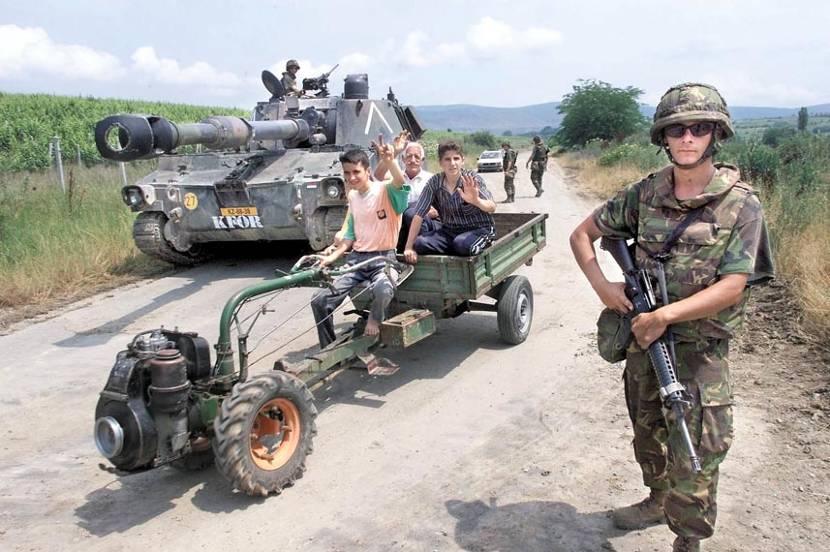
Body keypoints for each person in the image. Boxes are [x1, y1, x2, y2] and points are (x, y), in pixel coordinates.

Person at [569, 83, 774, 552]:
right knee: (647, 429)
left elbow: (733, 284)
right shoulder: (643, 194)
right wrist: (605, 288)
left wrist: (666, 315)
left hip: (699, 350)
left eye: (699, 129)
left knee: (696, 447)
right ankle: (656, 498)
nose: (687, 138)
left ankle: (689, 538)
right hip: (645, 341)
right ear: (663, 136)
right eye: (677, 129)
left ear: (715, 135)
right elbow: (582, 235)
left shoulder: (741, 204)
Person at [310, 139, 409, 348]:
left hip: (383, 259)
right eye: (347, 174)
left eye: (356, 172)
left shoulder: (385, 191)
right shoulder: (353, 196)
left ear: (367, 171)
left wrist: (390, 161)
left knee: (383, 289)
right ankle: (328, 348)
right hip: (357, 261)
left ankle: (375, 318)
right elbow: (349, 237)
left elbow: (399, 181)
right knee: (319, 299)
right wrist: (330, 257)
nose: (351, 178)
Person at [403, 141, 496, 262]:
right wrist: (409, 247)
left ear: (462, 160)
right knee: (420, 243)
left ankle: (479, 245)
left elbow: (492, 207)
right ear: (440, 163)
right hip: (450, 232)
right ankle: (457, 249)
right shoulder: (434, 182)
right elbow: (419, 214)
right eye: (447, 159)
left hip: (479, 229)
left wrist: (476, 200)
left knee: (461, 244)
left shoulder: (471, 179)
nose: (452, 163)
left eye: (456, 158)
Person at [374, 138, 440, 249]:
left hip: (426, 225)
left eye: (417, 157)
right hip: (402, 223)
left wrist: (428, 211)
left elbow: (439, 210)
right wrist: (394, 151)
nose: (413, 160)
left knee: (412, 213)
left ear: (422, 160)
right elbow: (379, 176)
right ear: (403, 159)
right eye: (409, 156)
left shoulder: (432, 179)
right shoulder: (398, 177)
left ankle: (419, 248)